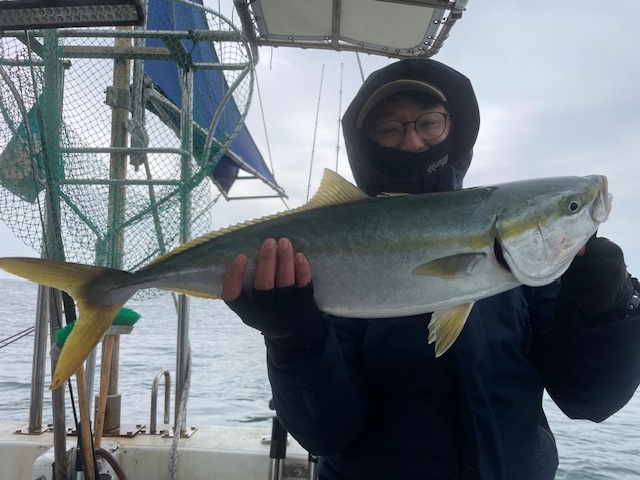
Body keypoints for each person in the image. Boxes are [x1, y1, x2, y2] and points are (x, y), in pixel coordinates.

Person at [221, 58, 640, 480]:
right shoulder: (322, 266)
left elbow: (590, 400)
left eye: (429, 122)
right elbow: (326, 434)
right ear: (366, 143)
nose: (413, 141)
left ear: (453, 127)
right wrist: (294, 340)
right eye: (389, 128)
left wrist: (610, 309)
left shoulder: (533, 272)